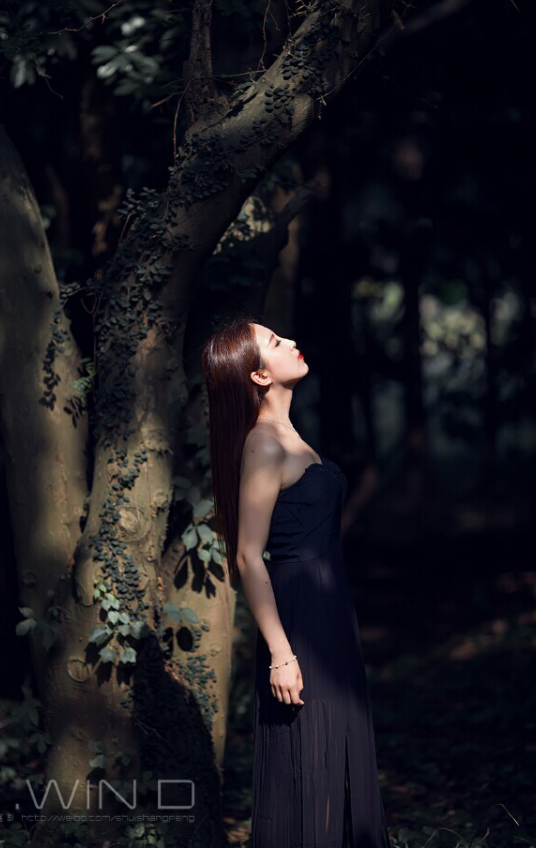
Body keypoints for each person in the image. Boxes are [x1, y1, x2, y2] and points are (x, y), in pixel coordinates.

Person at [201, 313, 391, 848]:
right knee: (309, 760)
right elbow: (247, 556)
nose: (291, 341)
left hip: (331, 612)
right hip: (299, 621)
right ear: (259, 375)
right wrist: (282, 653)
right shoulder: (264, 443)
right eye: (275, 341)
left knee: (340, 752)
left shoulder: (290, 434)